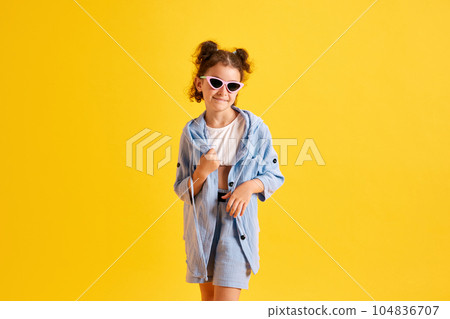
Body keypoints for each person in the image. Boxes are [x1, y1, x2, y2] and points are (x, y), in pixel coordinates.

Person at [174, 40, 285, 301]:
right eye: (215, 82)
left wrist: (248, 187)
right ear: (200, 84)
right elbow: (182, 190)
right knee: (210, 303)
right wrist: (201, 172)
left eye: (232, 86)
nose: (223, 91)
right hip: (202, 227)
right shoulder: (191, 133)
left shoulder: (255, 128)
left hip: (237, 225)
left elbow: (274, 175)